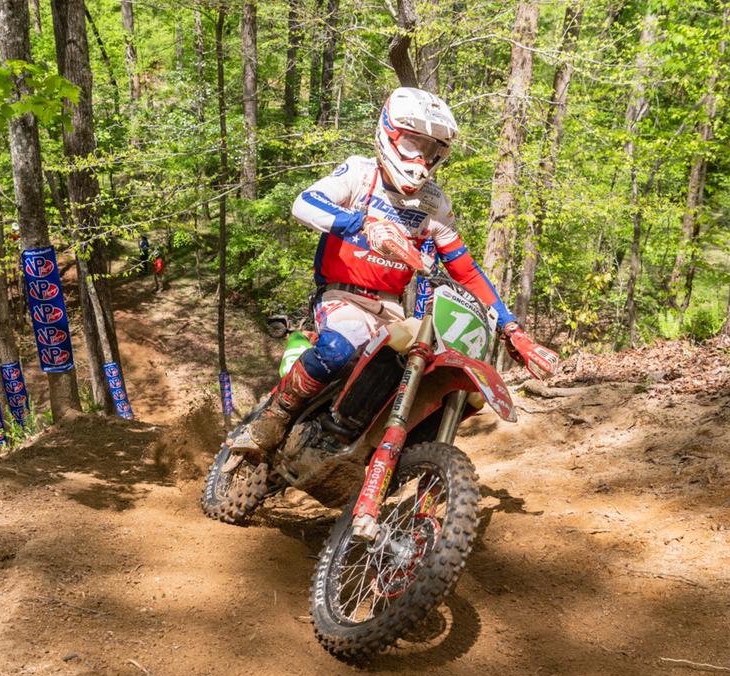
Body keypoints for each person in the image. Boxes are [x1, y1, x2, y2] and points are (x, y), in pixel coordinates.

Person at [235, 87, 558, 452]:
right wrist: (360, 224)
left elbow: (465, 271)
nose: (421, 158)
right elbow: (304, 203)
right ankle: (274, 416)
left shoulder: (433, 204)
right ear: (388, 134)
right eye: (411, 143)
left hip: (393, 310)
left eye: (432, 150)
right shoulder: (360, 174)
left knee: (416, 375)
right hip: (343, 296)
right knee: (341, 347)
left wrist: (512, 330)